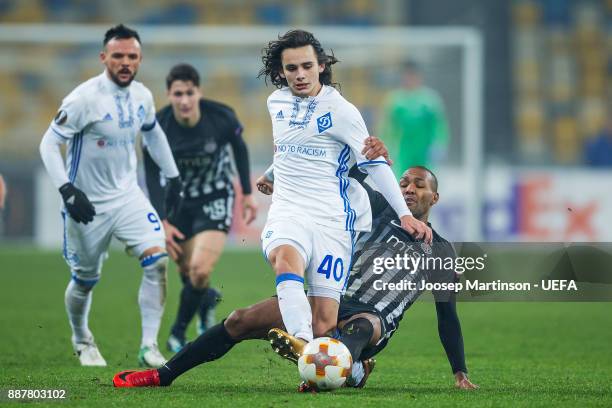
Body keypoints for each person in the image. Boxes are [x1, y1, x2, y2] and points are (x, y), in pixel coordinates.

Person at [112, 162, 477, 391]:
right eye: (403, 182)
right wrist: (284, 177)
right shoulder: (379, 209)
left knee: (360, 328)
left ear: (436, 196)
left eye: (418, 184)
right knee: (240, 320)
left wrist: (459, 372)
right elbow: (337, 167)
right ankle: (163, 375)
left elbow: (448, 318)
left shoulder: (441, 252)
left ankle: (333, 367)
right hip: (328, 298)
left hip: (374, 321)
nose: (408, 189)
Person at [257, 29, 432, 350]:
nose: (300, 75)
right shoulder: (276, 102)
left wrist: (404, 214)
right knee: (285, 258)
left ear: (321, 65)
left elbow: (373, 165)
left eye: (307, 66)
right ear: (281, 71)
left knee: (325, 322)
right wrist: (271, 173)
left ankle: (340, 363)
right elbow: (289, 145)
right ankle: (301, 343)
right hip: (289, 210)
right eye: (292, 68)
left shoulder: (343, 111)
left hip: (332, 221)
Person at [39, 24, 181, 368]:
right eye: (118, 56)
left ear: (140, 59)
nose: (125, 62)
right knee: (85, 280)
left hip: (127, 197)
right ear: (104, 57)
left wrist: (173, 174)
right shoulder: (83, 99)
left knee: (158, 261)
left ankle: (149, 346)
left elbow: (153, 134)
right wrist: (67, 190)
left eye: (132, 56)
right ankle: (81, 337)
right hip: (86, 204)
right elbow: (49, 142)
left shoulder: (142, 96)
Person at [143, 63, 257, 353]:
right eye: (177, 94)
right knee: (189, 277)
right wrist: (162, 221)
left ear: (199, 92)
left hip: (215, 197)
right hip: (178, 203)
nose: (184, 100)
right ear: (168, 94)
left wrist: (246, 193)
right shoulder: (157, 127)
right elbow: (151, 177)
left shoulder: (221, 116)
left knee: (200, 269)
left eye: (189, 93)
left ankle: (177, 334)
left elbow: (239, 149)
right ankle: (207, 301)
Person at [380, 60, 450, 176]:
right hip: (402, 153)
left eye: (413, 75)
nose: (410, 79)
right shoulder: (395, 100)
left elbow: (439, 125)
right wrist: (386, 145)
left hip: (425, 153)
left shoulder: (430, 99)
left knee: (425, 183)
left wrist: (440, 145)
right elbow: (386, 127)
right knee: (403, 182)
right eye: (407, 75)